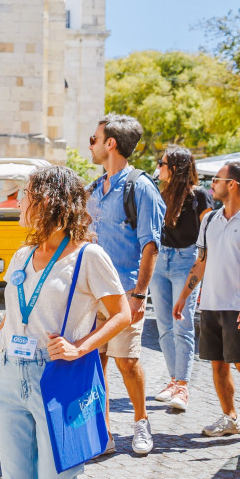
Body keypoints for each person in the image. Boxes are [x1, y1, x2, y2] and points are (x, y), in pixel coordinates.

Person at [0, 165, 131, 479]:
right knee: (17, 478)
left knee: (57, 478)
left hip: (58, 377)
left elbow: (122, 314)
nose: (17, 203)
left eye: (24, 195)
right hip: (9, 374)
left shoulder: (89, 256)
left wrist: (80, 348)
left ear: (45, 201)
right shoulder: (22, 256)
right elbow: (10, 320)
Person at [173, 161, 240, 439]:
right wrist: (184, 296)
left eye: (217, 179)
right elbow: (200, 263)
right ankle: (230, 418)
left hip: (238, 304)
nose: (211, 185)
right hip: (210, 305)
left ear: (232, 184)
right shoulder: (209, 219)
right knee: (217, 364)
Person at [87, 114, 165, 455]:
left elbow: (151, 246)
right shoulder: (93, 189)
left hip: (124, 295)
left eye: (94, 138)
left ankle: (141, 422)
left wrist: (139, 296)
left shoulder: (141, 187)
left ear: (110, 144)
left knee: (127, 361)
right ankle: (102, 433)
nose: (90, 144)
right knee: (96, 363)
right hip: (91, 297)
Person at [149, 146, 211, 411]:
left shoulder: (200, 196)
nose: (158, 167)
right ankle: (173, 380)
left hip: (186, 262)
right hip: (159, 261)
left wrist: (203, 264)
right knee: (163, 325)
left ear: (174, 168)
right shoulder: (158, 194)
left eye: (162, 163)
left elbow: (209, 234)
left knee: (182, 326)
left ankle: (183, 387)